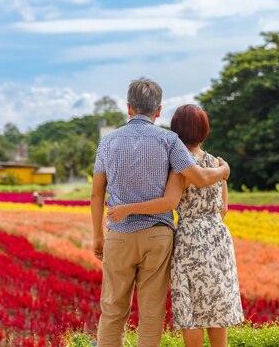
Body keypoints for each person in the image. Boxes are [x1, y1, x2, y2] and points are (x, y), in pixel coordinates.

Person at [91, 79, 231, 347]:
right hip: (158, 237)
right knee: (152, 313)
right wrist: (224, 171)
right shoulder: (169, 140)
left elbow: (97, 192)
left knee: (112, 310)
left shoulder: (107, 142)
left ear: (129, 108)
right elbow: (199, 177)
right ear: (158, 110)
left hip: (119, 235)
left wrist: (98, 235)